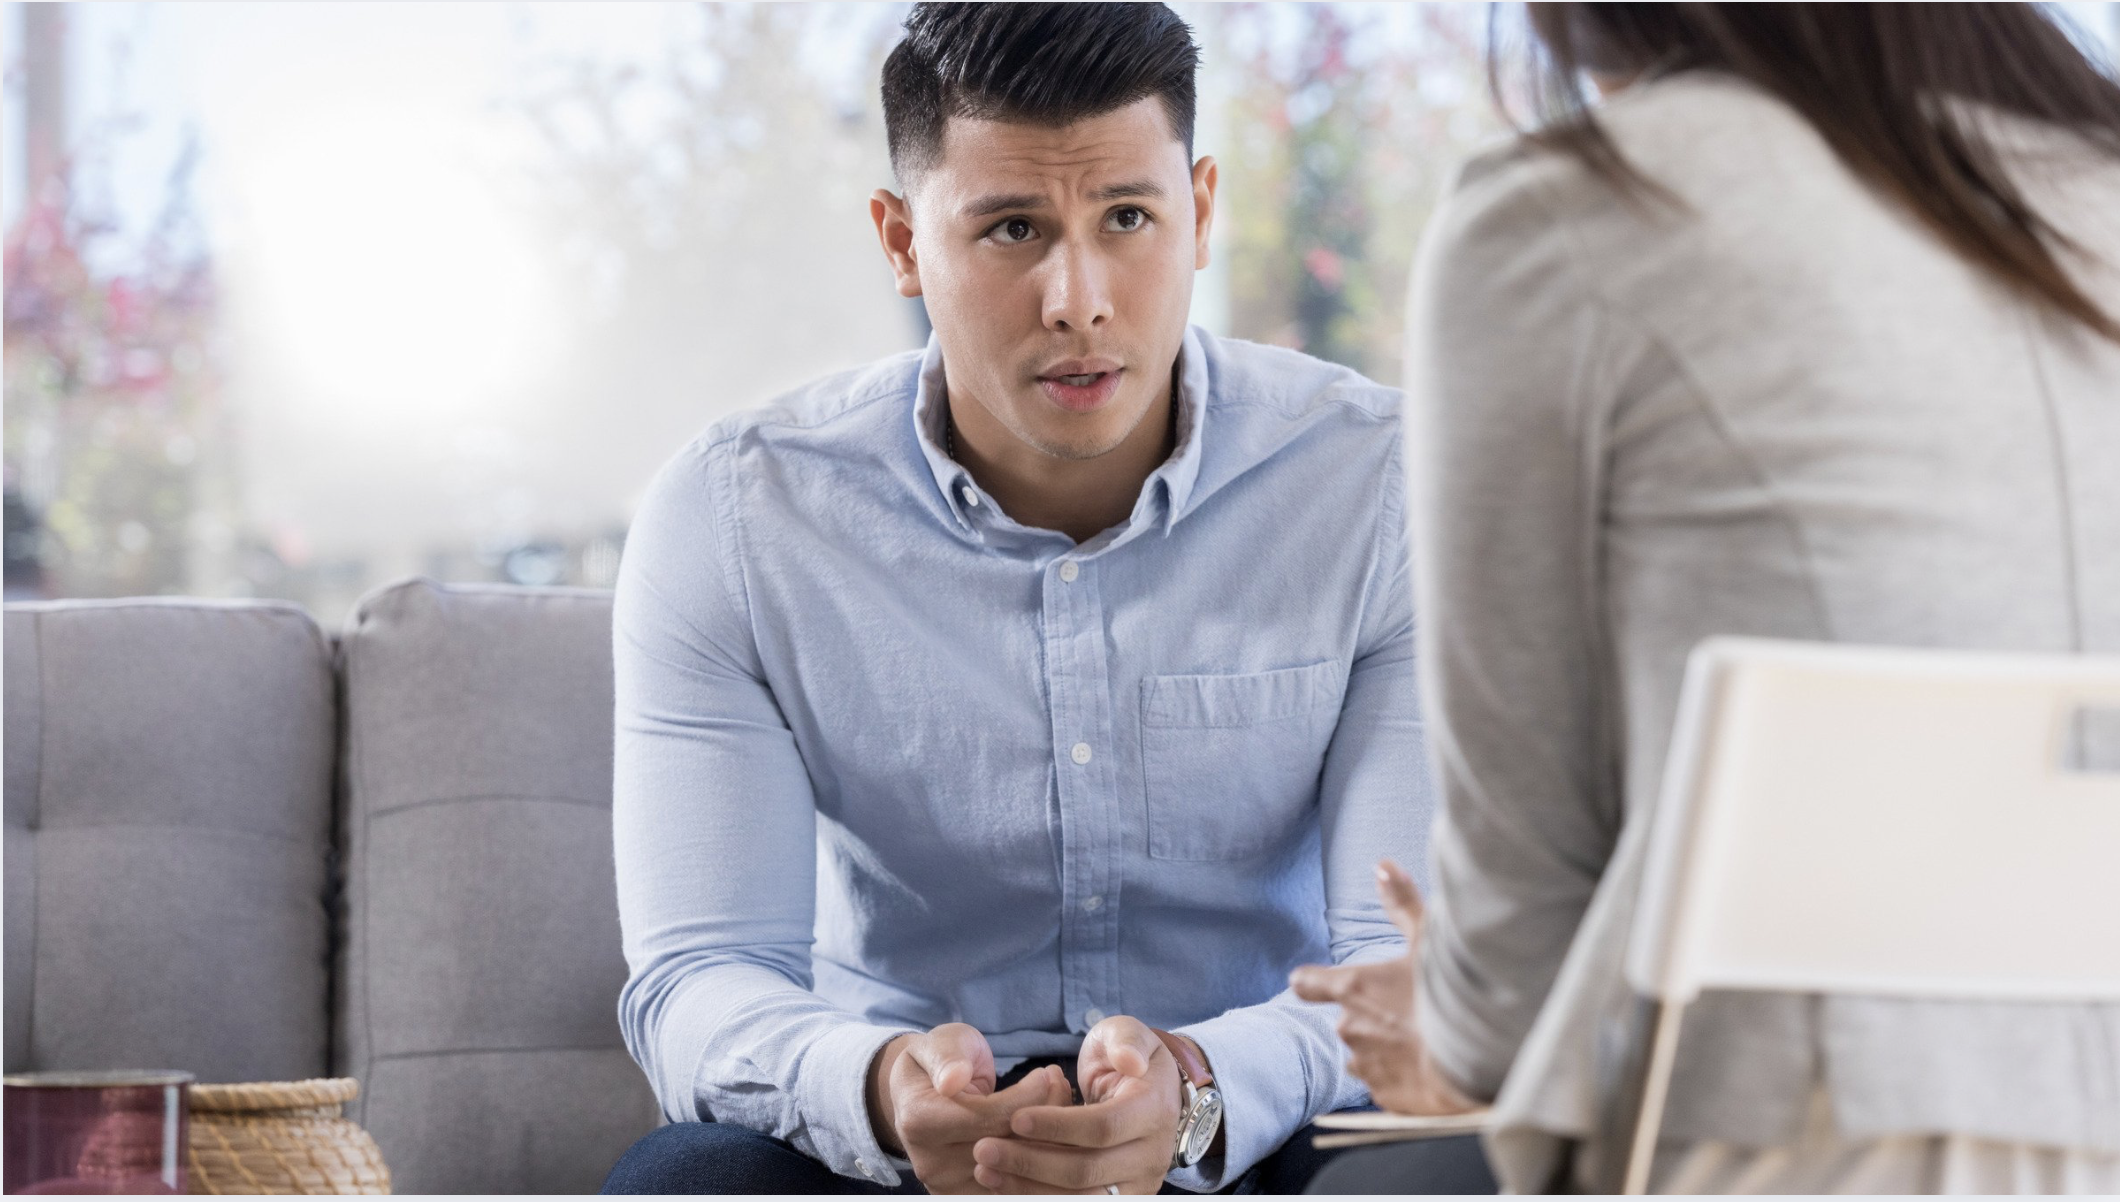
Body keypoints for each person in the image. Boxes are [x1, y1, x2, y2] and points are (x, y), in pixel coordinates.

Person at [603, 3, 1457, 1193]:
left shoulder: (1380, 489)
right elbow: (700, 974)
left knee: (1460, 1167)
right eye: (1012, 228)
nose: (1077, 299)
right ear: (902, 242)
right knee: (684, 1181)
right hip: (896, 1147)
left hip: (1254, 1124)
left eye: (1127, 218)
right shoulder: (736, 519)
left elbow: (1406, 963)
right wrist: (876, 1088)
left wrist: (1199, 1087)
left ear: (1200, 210)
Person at [1295, 2, 2120, 1193]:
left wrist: (1441, 1018)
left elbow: (1510, 981)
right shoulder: (2087, 179)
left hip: (1785, 1142)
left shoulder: (1574, 216)